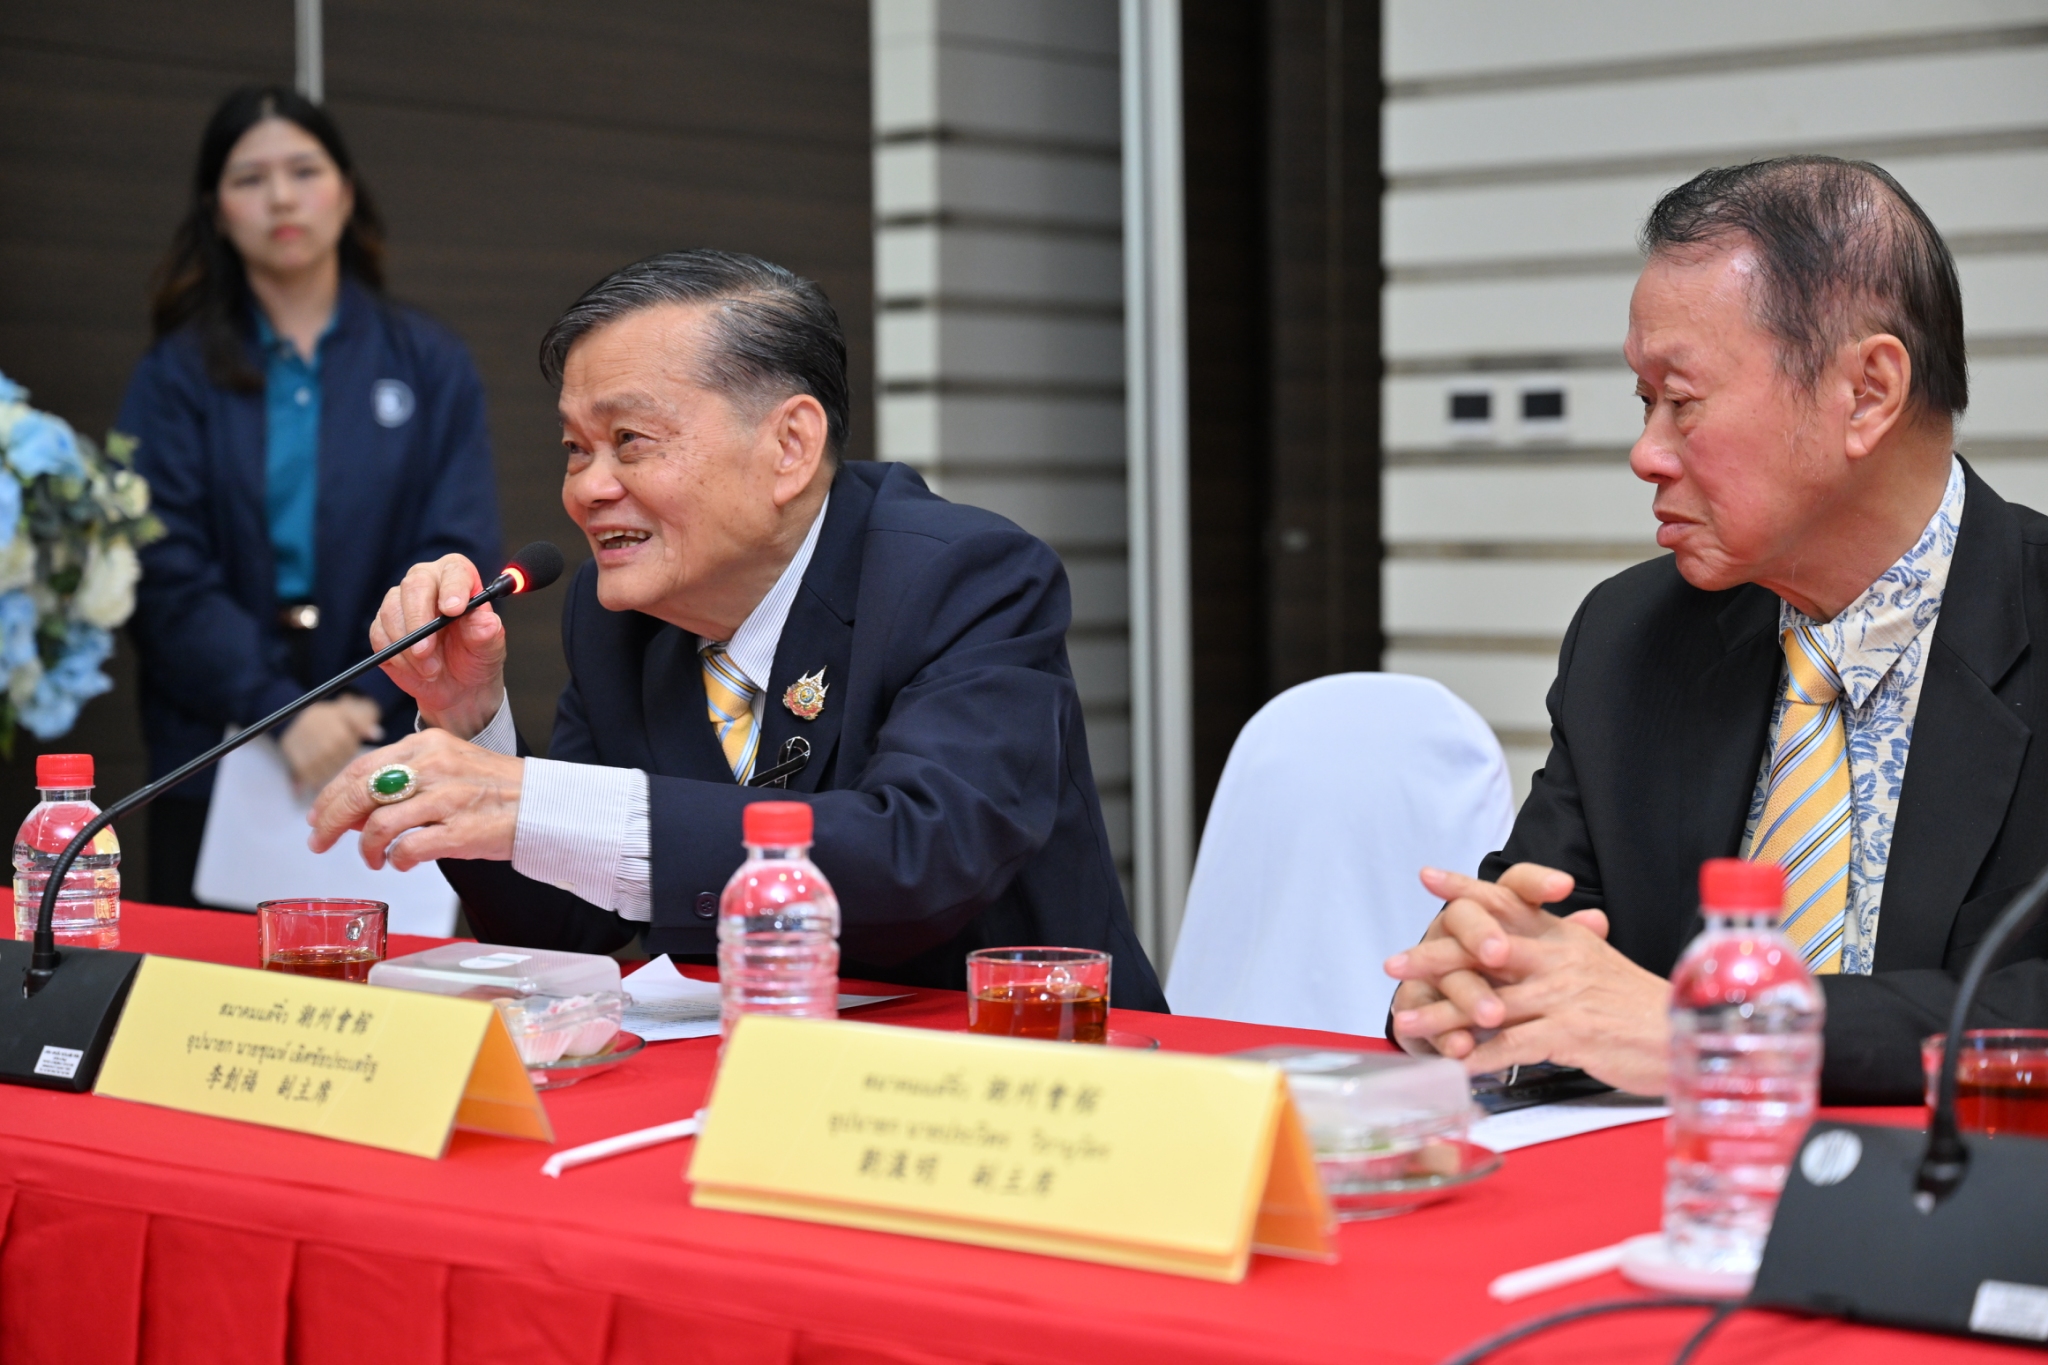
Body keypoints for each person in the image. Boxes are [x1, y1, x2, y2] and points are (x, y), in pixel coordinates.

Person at [306, 250, 1164, 1005]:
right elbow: (566, 928)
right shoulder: (618, 618)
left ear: (789, 446)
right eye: (575, 448)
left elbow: (920, 857)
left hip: (1011, 1073)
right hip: (747, 1084)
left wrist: (530, 800)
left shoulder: (965, 577)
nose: (588, 489)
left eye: (630, 439)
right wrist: (468, 721)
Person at [1386, 156, 2048, 1104]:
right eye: (1642, 401)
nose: (1645, 453)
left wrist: (1718, 1035)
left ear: (1867, 392)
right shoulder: (1632, 638)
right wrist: (1478, 984)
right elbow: (1555, 940)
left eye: (1682, 401)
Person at [118, 85, 501, 907]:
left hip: (386, 734)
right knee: (202, 977)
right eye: (250, 179)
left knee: (391, 972)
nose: (282, 198)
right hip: (214, 740)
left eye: (303, 171)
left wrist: (363, 698)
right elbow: (164, 568)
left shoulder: (429, 360)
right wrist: (283, 713)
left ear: (347, 191)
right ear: (217, 210)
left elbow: (454, 546)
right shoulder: (175, 373)